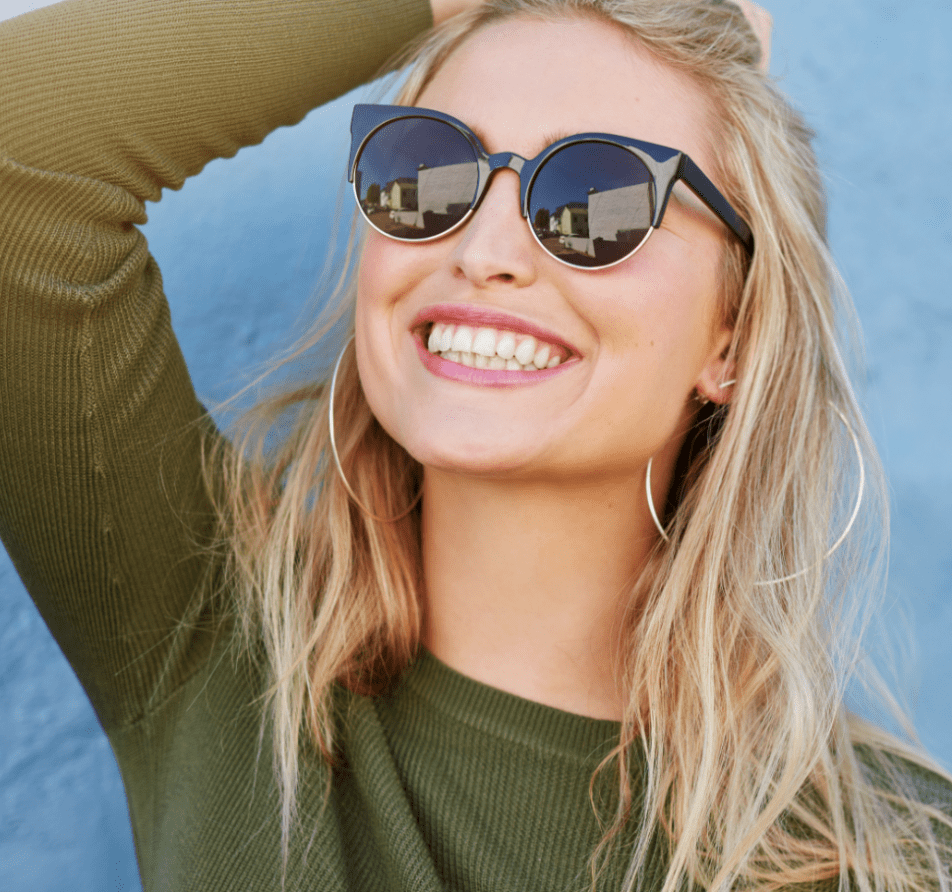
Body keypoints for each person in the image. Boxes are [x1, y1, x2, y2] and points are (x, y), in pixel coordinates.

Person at [0, 0, 949, 890]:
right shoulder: (221, 647)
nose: (483, 248)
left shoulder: (889, 857)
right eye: (429, 170)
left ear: (731, 338)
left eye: (602, 193)